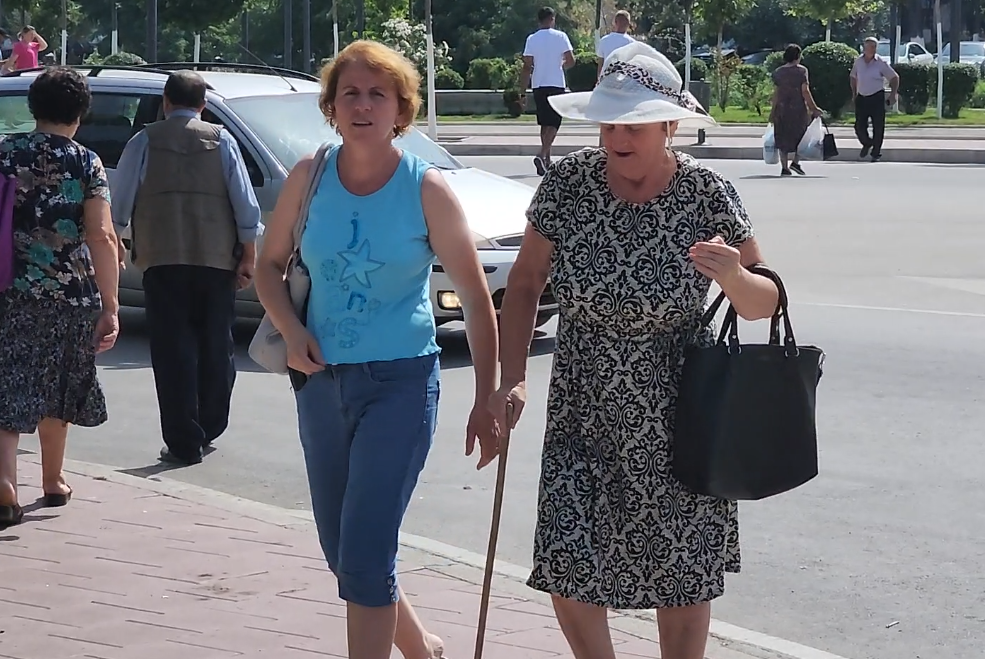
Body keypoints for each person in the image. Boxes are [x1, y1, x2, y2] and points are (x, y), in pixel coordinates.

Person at [489, 41, 780, 659]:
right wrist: (511, 377)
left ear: (669, 126)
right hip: (583, 401)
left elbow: (766, 301)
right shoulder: (568, 183)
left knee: (682, 575)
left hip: (682, 408)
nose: (618, 137)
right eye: (609, 123)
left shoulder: (706, 193)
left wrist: (733, 275)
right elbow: (526, 282)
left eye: (634, 125)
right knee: (568, 560)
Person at [254, 40, 502, 659]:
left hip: (400, 384)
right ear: (332, 107)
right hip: (319, 382)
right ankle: (423, 649)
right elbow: (268, 266)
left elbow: (477, 299)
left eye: (377, 94)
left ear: (401, 109)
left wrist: (488, 398)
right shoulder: (309, 176)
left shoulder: (426, 188)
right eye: (350, 94)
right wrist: (291, 331)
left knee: (365, 554)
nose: (363, 106)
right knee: (343, 550)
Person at [109, 70, 263, 466]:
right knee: (217, 345)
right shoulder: (222, 140)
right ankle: (209, 425)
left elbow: (120, 204)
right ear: (203, 106)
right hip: (217, 261)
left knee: (172, 349)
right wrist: (248, 255)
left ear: (165, 102)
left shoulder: (144, 141)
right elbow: (245, 206)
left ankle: (182, 441)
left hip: (162, 260)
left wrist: (118, 244)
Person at [0, 67, 122, 528]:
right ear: (80, 112)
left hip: (8, 290)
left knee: (7, 384)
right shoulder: (86, 162)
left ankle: (5, 484)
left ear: (33, 107)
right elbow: (101, 235)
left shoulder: (4, 152)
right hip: (70, 293)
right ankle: (53, 480)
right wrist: (111, 305)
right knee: (61, 385)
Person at [520, 6, 576, 176]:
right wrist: (561, 65)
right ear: (552, 19)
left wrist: (522, 91)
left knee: (545, 123)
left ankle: (547, 159)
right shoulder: (561, 36)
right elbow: (571, 60)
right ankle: (542, 154)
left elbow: (527, 65)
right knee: (555, 122)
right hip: (556, 83)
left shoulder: (532, 39)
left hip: (538, 83)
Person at [769, 43, 824, 177]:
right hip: (797, 109)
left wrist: (772, 111)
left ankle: (784, 167)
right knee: (801, 136)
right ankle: (795, 162)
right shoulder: (802, 71)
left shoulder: (778, 72)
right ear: (798, 56)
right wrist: (813, 108)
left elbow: (776, 93)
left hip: (781, 109)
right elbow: (805, 91)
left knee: (782, 136)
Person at [849, 37, 899, 162]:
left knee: (878, 126)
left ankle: (876, 153)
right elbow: (853, 77)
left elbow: (894, 77)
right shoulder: (858, 61)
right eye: (870, 47)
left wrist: (893, 94)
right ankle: (867, 143)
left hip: (876, 96)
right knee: (859, 126)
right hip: (862, 97)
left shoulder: (880, 62)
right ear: (864, 48)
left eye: (874, 47)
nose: (872, 49)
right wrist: (854, 93)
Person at [595, 10, 635, 77]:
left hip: (606, 79)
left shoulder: (604, 41)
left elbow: (600, 65)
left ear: (615, 22)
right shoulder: (632, 43)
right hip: (624, 80)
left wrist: (599, 80)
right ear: (628, 24)